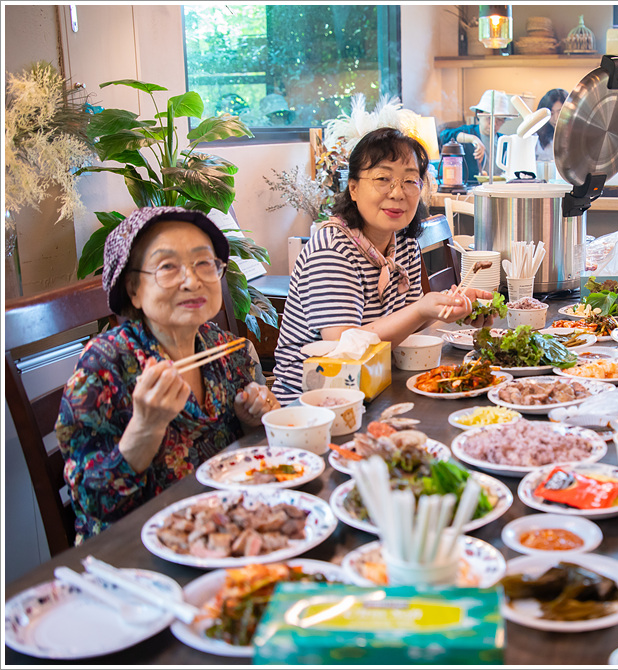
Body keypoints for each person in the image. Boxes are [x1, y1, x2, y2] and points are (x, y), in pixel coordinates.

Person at [55, 206, 277, 542]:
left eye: (204, 263)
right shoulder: (104, 365)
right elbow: (92, 503)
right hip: (135, 548)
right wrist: (146, 427)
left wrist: (252, 420)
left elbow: (252, 456)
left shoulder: (225, 349)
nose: (192, 280)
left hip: (224, 529)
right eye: (168, 267)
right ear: (133, 289)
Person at [271, 127, 494, 404]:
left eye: (410, 180)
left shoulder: (403, 242)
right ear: (353, 188)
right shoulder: (332, 249)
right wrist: (421, 309)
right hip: (313, 404)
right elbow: (343, 346)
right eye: (382, 179)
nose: (397, 192)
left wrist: (449, 306)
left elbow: (407, 325)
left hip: (373, 387)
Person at [438, 89, 515, 182]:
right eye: (489, 118)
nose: (494, 123)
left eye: (499, 120)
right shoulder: (468, 132)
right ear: (479, 114)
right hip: (470, 188)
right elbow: (444, 136)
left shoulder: (505, 141)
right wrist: (473, 139)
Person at [534, 88, 568, 162]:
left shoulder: (579, 136)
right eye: (551, 113)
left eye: (560, 112)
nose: (556, 118)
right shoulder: (536, 138)